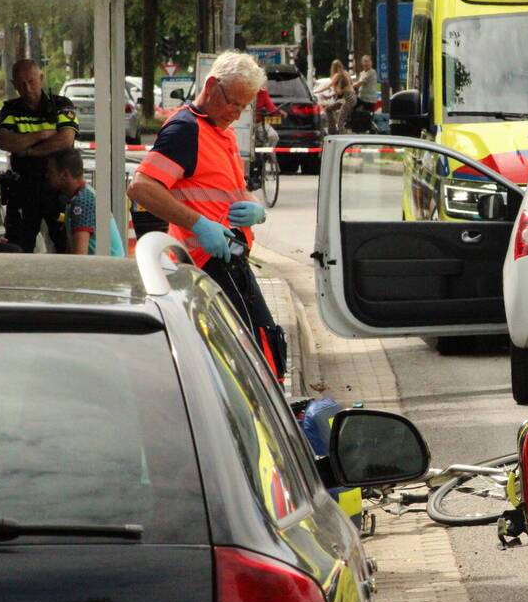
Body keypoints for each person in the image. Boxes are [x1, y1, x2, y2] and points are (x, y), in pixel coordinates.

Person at [127, 50, 286, 379]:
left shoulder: (221, 133)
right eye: (233, 104)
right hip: (206, 264)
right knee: (250, 358)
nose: (237, 114)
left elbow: (231, 189)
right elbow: (141, 187)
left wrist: (256, 210)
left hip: (227, 259)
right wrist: (200, 225)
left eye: (244, 107)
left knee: (260, 347)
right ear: (212, 85)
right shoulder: (185, 130)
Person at [0, 59, 79, 253]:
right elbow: (5, 142)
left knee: (64, 244)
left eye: (32, 81)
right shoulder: (10, 109)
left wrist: (29, 150)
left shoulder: (61, 104)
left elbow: (65, 139)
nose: (27, 88)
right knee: (19, 246)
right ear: (14, 84)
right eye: (22, 83)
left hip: (57, 188)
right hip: (24, 188)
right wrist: (41, 135)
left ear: (41, 79)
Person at [45, 148, 124, 256]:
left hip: (106, 270)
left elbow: (80, 256)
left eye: (51, 172)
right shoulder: (78, 198)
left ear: (64, 175)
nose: (47, 176)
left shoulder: (83, 202)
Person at [314, 59, 355, 134]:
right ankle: (332, 130)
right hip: (350, 97)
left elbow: (328, 86)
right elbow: (346, 88)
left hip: (348, 98)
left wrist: (316, 91)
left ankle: (340, 134)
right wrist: (331, 95)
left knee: (340, 119)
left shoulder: (338, 75)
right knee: (328, 109)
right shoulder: (346, 73)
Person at [350, 54, 379, 131]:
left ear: (371, 63)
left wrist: (349, 87)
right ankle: (355, 126)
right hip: (361, 97)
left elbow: (360, 83)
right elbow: (358, 85)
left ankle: (370, 128)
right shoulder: (362, 73)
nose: (366, 63)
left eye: (368, 61)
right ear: (362, 63)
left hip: (369, 99)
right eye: (364, 61)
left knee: (369, 115)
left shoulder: (372, 72)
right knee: (351, 106)